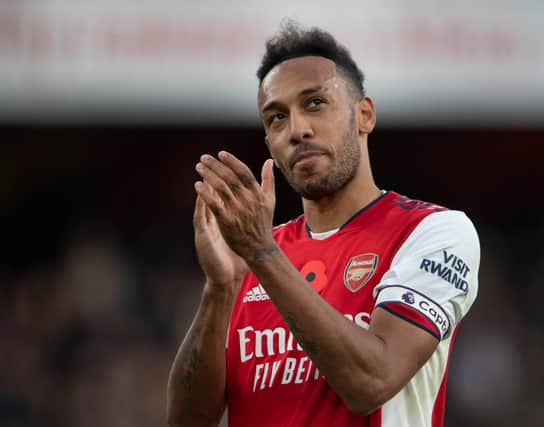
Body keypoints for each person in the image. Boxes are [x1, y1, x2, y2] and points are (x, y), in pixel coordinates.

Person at [167, 22, 480, 427]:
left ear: (364, 115)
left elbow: (371, 382)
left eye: (314, 103)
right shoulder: (250, 258)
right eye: (277, 118)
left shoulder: (433, 232)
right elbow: (187, 422)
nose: (297, 130)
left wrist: (262, 254)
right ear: (269, 145)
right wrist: (220, 289)